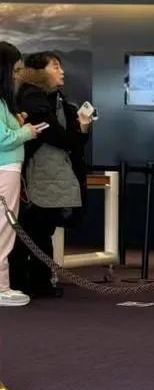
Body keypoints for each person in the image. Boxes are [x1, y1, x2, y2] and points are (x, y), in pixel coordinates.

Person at [9, 52, 92, 298]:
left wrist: (79, 129)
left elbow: (66, 138)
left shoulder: (56, 98)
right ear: (39, 72)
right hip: (37, 174)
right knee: (33, 230)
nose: (62, 71)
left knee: (38, 230)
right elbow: (59, 137)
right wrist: (81, 129)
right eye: (55, 66)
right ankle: (29, 282)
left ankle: (34, 281)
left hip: (46, 174)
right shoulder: (32, 99)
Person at [0, 43, 40, 306]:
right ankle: (1, 287)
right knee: (4, 229)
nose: (17, 77)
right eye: (14, 71)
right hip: (5, 170)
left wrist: (18, 124)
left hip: (7, 170)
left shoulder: (4, 103)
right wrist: (26, 132)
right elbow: (3, 139)